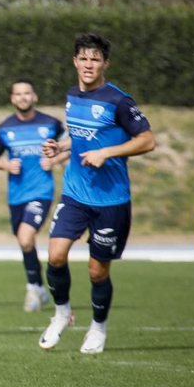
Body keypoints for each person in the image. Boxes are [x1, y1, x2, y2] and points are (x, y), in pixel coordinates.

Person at [38, 33, 155, 354]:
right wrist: (59, 146)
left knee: (96, 270)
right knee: (55, 255)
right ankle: (62, 314)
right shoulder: (72, 95)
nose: (89, 65)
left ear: (105, 64)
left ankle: (98, 329)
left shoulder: (119, 100)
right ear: (75, 61)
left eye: (95, 59)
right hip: (76, 193)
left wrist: (109, 153)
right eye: (84, 59)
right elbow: (83, 136)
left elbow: (147, 140)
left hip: (111, 200)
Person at [0, 78, 64, 310]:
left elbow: (71, 147)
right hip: (16, 195)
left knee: (25, 236)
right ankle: (39, 288)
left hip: (41, 192)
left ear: (34, 97)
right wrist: (5, 166)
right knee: (25, 243)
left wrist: (55, 159)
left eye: (27, 93)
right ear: (12, 98)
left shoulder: (51, 124)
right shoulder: (4, 128)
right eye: (18, 94)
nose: (22, 97)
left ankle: (32, 289)